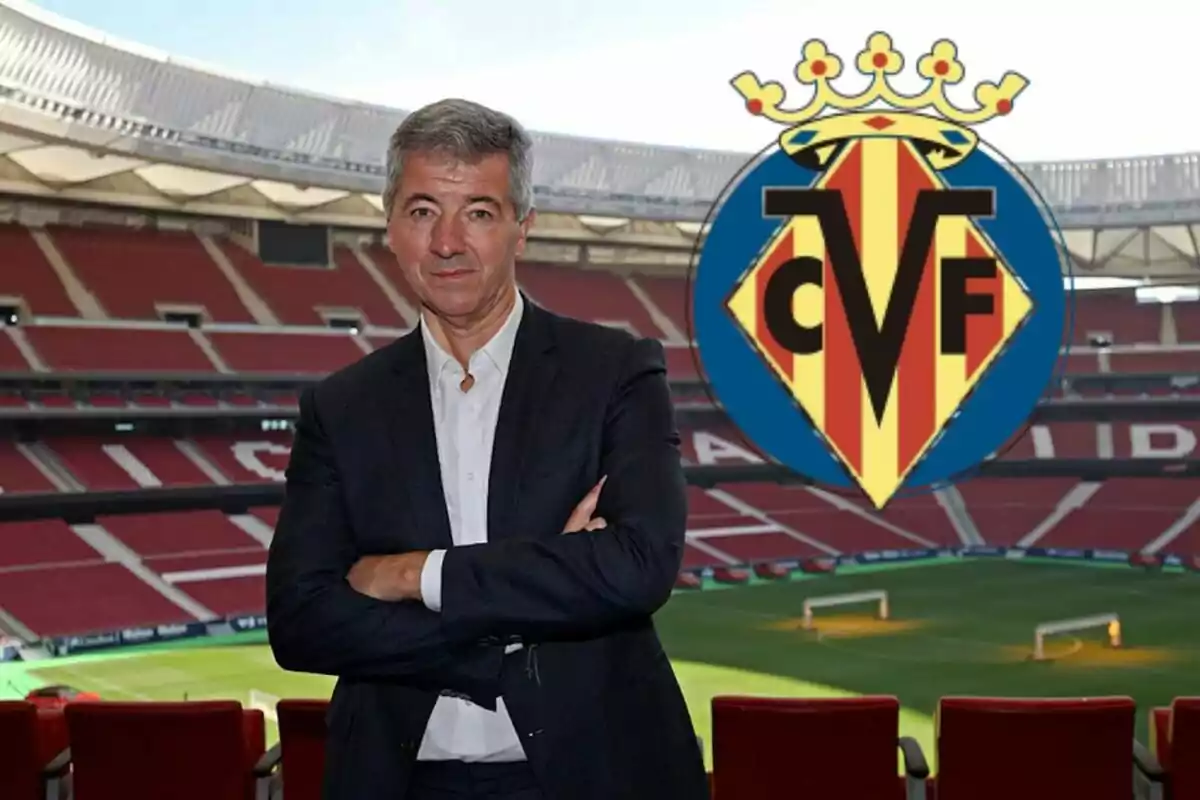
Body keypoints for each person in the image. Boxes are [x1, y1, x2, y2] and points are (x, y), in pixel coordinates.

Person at [265, 98, 709, 800]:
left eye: (478, 211)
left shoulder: (616, 370)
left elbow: (637, 566)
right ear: (389, 227)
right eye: (421, 212)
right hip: (399, 779)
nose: (447, 242)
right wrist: (522, 610)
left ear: (520, 229)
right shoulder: (340, 406)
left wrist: (416, 577)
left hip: (595, 775)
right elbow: (300, 623)